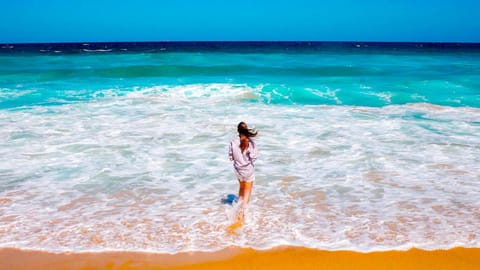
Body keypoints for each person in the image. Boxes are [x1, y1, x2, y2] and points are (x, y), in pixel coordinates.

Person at [228, 122, 258, 222]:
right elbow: (254, 157)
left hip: (238, 170)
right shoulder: (250, 143)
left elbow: (231, 157)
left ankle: (238, 207)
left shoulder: (233, 142)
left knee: (241, 188)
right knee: (247, 191)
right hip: (248, 171)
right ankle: (242, 211)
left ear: (238, 130)